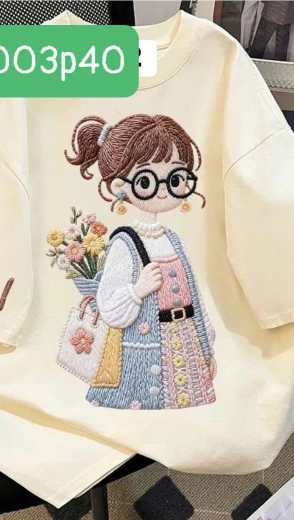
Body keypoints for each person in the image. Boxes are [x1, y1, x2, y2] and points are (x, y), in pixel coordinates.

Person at [64, 114, 217, 410]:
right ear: (119, 185)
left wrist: (206, 348)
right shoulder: (125, 243)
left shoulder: (173, 239)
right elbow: (108, 307)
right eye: (146, 180)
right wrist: (137, 291)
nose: (164, 189)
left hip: (187, 347)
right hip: (142, 353)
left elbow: (195, 299)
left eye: (175, 178)